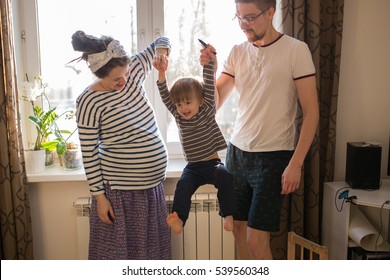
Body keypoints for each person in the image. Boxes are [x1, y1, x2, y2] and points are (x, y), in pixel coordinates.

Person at [200, 0, 319, 260]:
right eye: (239, 18)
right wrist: (209, 70)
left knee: (256, 240)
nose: (244, 25)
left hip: (274, 157)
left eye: (250, 18)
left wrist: (296, 163)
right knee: (238, 230)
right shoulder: (237, 52)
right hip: (238, 155)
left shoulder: (296, 50)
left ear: (271, 13)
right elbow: (215, 103)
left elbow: (311, 113)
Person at [71, 30, 171, 260]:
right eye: (116, 79)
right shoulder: (88, 101)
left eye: (125, 74)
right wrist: (99, 197)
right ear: (99, 75)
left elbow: (161, 41)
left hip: (152, 190)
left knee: (150, 258)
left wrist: (163, 54)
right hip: (120, 196)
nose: (124, 81)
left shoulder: (133, 69)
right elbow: (89, 153)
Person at [153, 45, 236, 235]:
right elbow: (165, 95)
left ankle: (228, 215)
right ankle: (179, 220)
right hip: (193, 167)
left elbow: (208, 82)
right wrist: (161, 73)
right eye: (179, 103)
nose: (183, 107)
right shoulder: (178, 115)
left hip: (212, 163)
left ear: (200, 100)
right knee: (183, 186)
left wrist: (208, 63)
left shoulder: (207, 110)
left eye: (188, 102)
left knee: (225, 176)